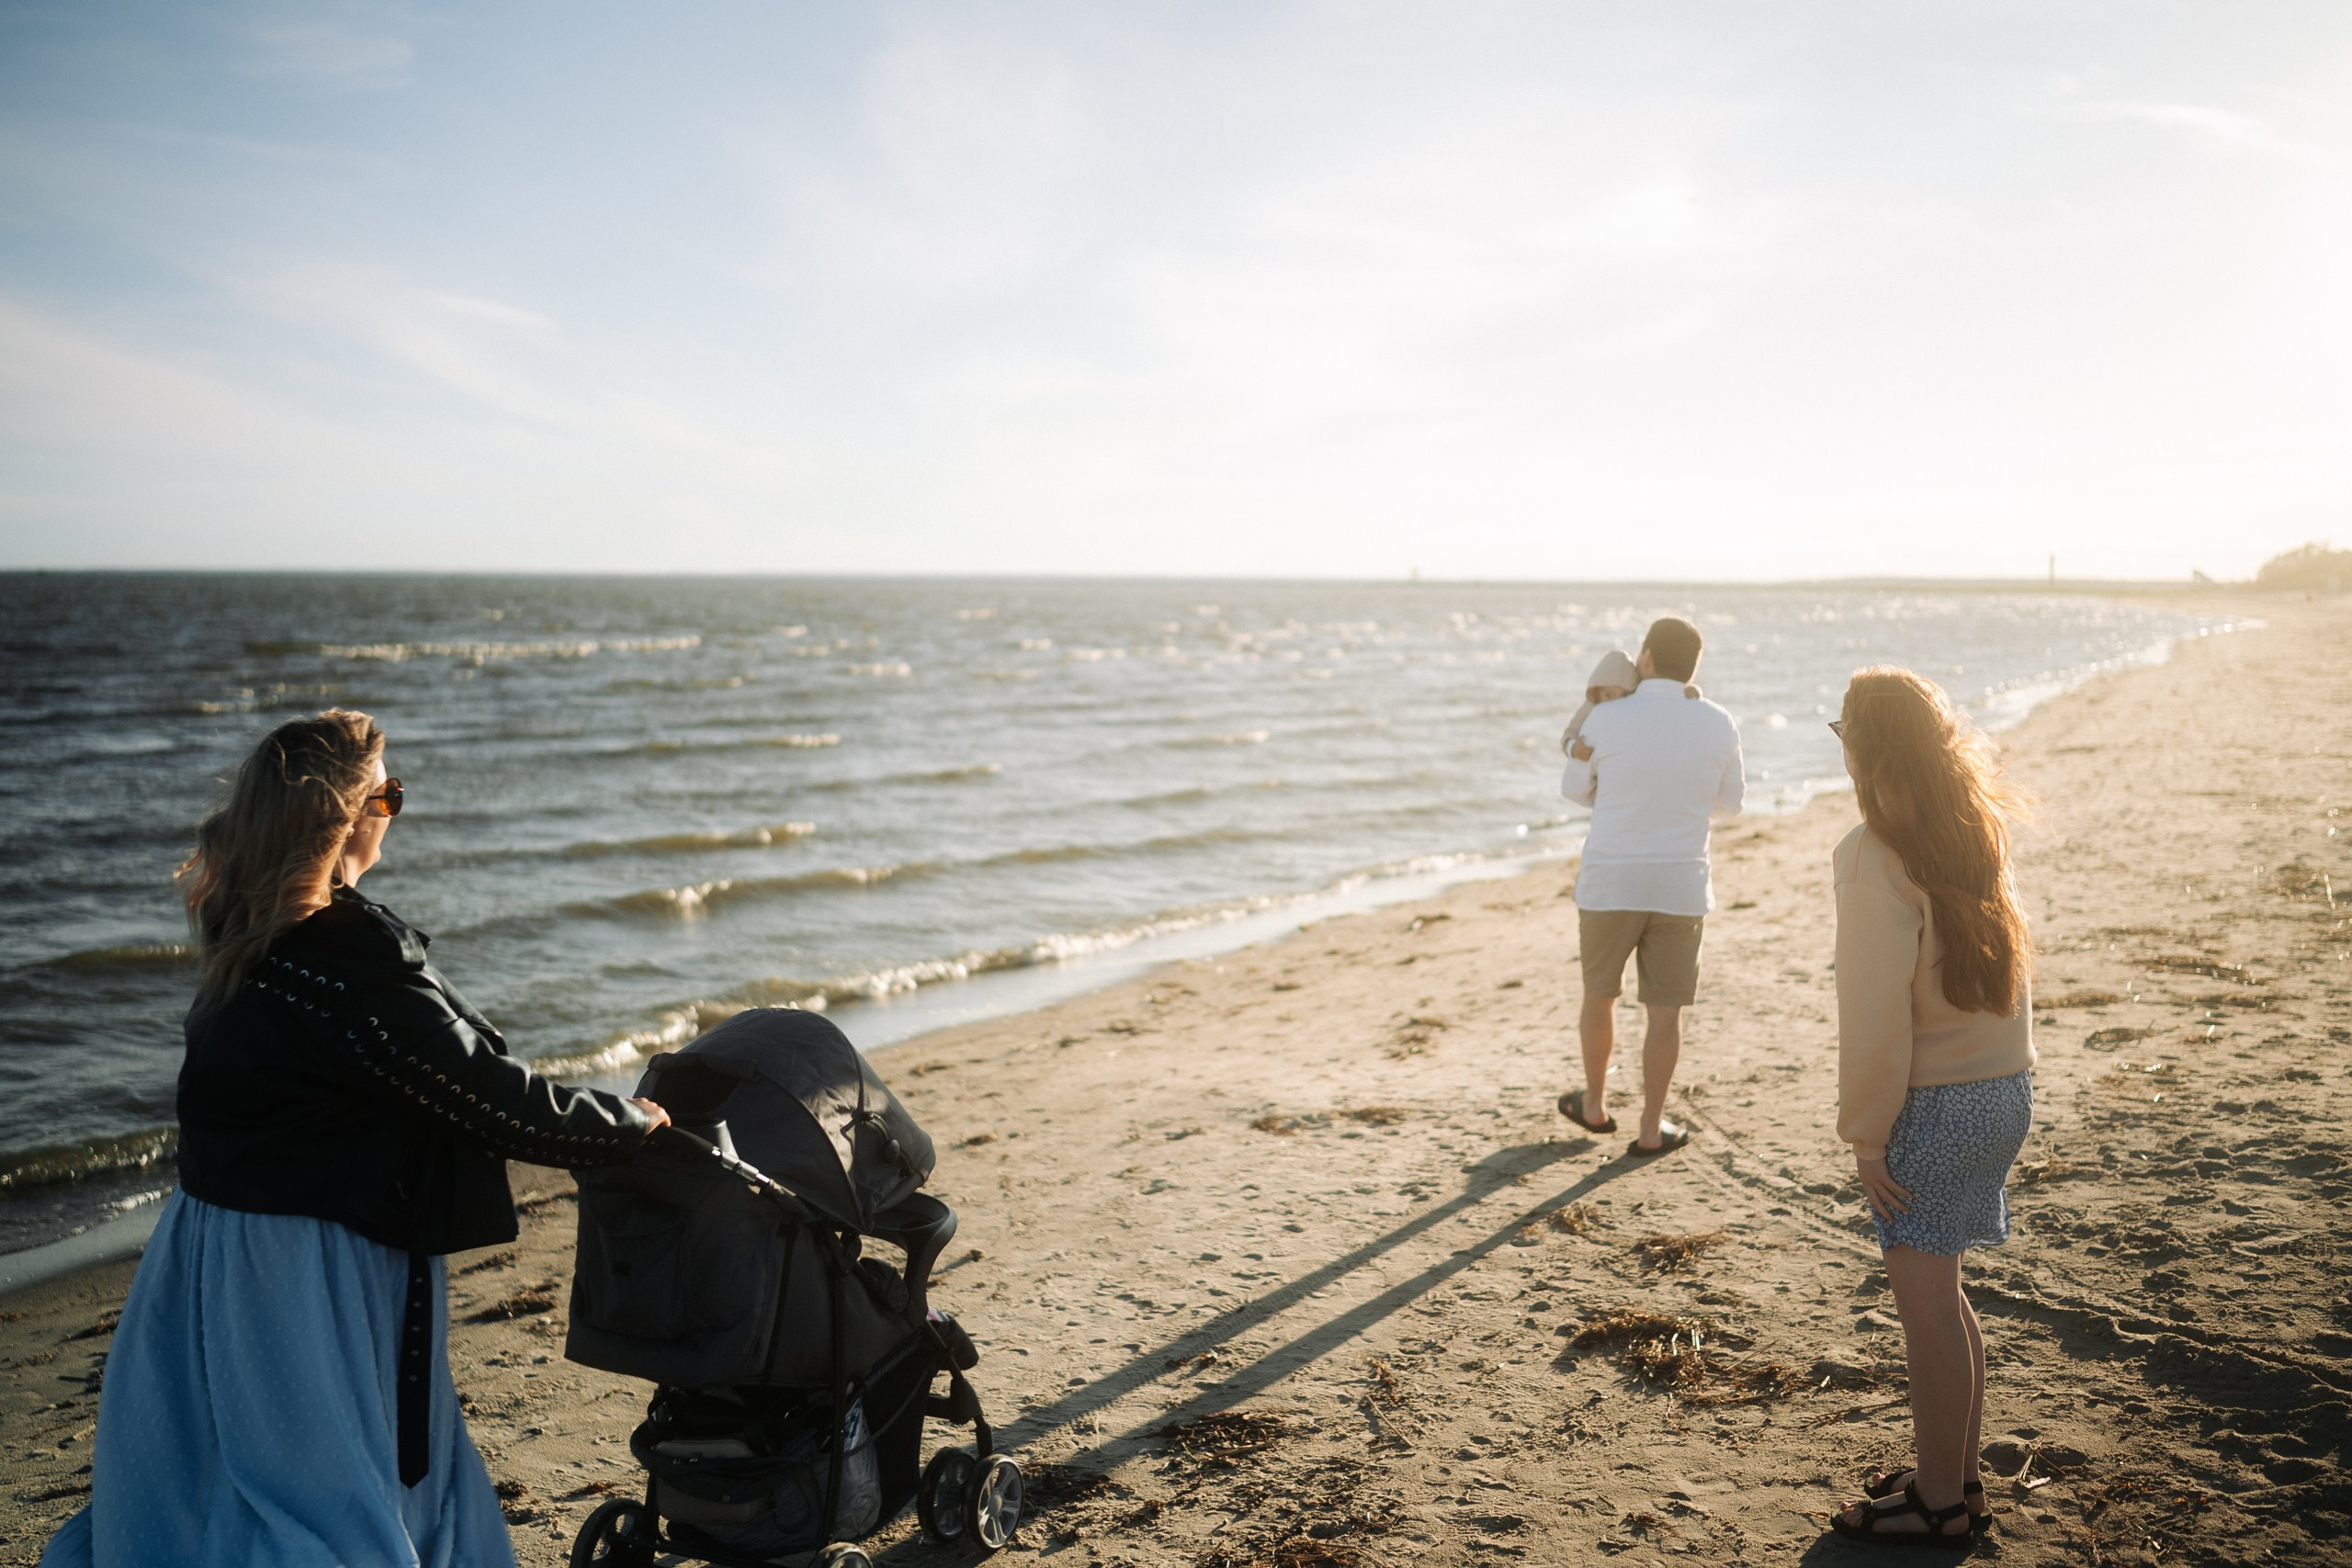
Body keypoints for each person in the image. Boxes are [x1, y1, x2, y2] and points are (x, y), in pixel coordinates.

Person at [42, 710, 671, 1568]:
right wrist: (628, 1124)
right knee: (328, 1497)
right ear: (348, 814)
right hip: (313, 1271)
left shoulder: (246, 935)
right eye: (393, 795)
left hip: (207, 1254)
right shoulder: (350, 955)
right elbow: (485, 1094)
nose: (396, 811)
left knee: (221, 1483)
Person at [1826, 668, 2035, 1549]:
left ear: (1867, 751)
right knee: (1946, 1297)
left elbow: (1874, 1019)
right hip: (2003, 1087)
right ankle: (1959, 1473)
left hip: (1936, 1106)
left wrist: (1865, 1136)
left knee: (1925, 1309)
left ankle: (1938, 1500)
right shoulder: (1971, 826)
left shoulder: (1874, 853)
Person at [1555, 616, 1744, 1156]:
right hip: (1681, 884)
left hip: (1611, 881)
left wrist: (1619, 796)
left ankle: (1594, 1105)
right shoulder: (1719, 721)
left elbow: (1574, 789)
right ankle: (1649, 1126)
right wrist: (1678, 805)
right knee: (1666, 1012)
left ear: (1645, 658)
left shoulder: (1606, 717)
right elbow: (1730, 806)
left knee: (1600, 996)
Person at [1558, 649, 1704, 758]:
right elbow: (1569, 734)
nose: (1617, 701)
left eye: (1625, 695)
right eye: (1609, 695)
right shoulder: (1590, 707)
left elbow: (1666, 698)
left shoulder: (1636, 711)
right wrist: (1573, 749)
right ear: (1596, 692)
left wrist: (1690, 691)